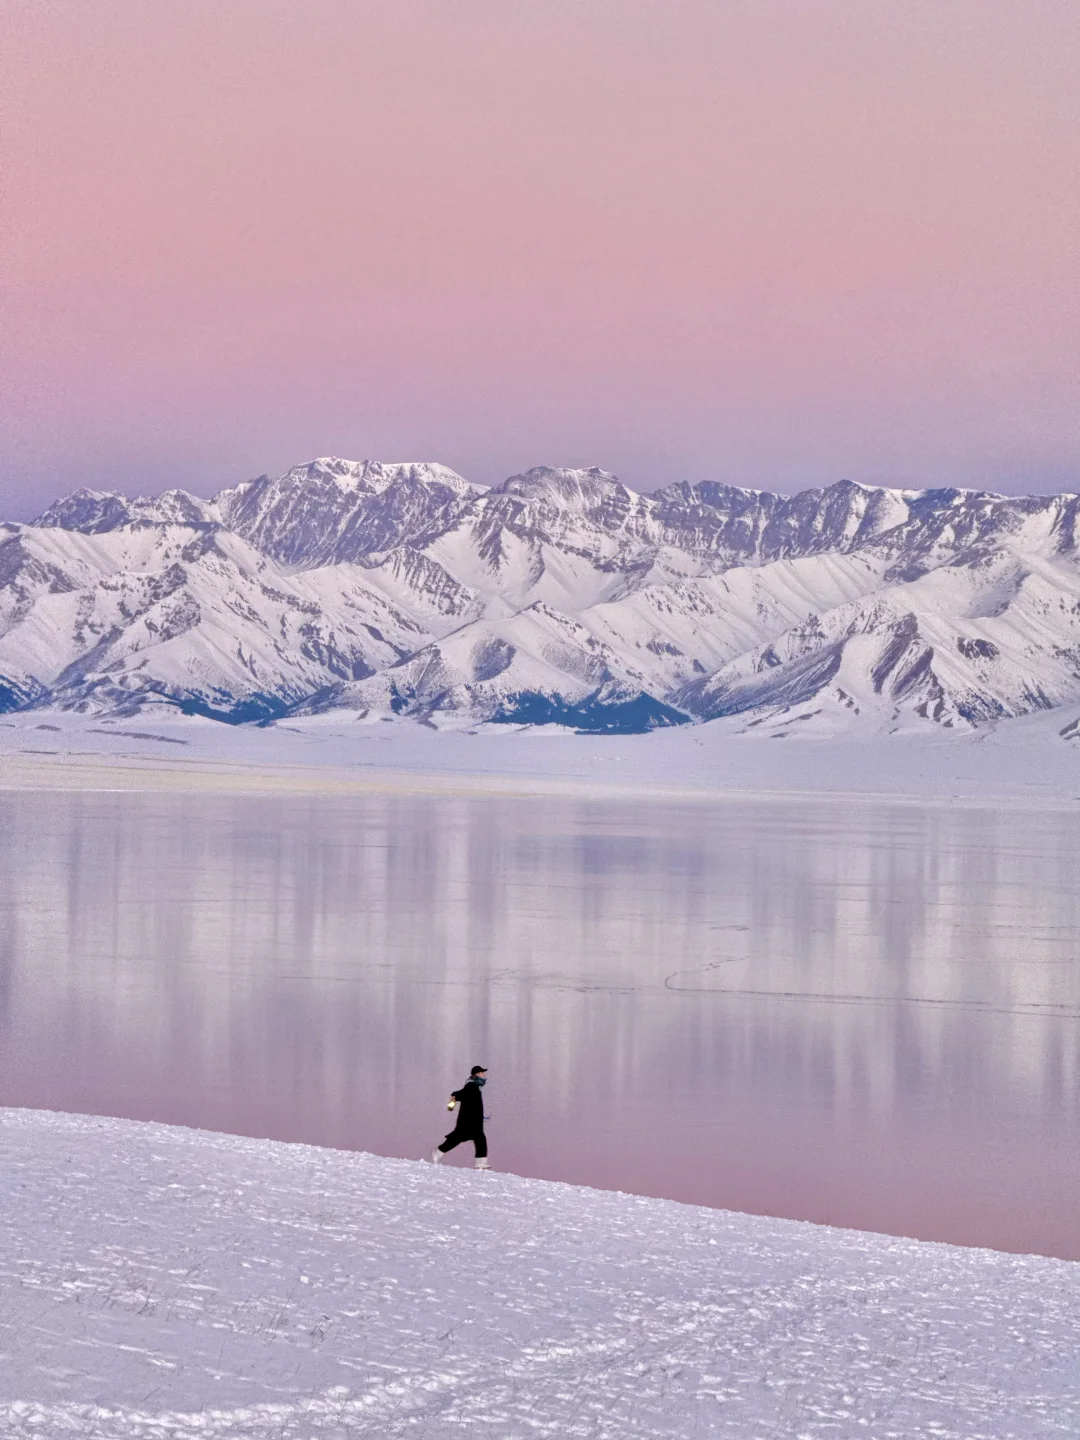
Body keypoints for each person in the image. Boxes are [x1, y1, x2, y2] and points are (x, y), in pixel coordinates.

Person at [430, 1065, 490, 1169]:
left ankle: (481, 1163)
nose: (484, 1075)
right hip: (467, 1120)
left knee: (479, 1138)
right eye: (482, 1073)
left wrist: (455, 1097)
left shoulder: (475, 1086)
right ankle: (437, 1152)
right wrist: (455, 1096)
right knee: (458, 1139)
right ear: (476, 1074)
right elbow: (463, 1094)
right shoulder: (471, 1085)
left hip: (473, 1120)